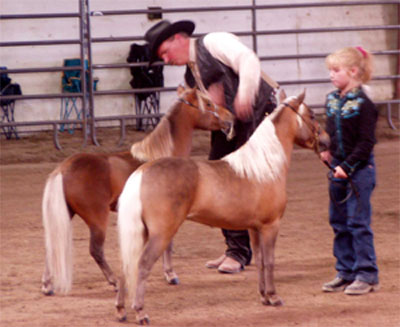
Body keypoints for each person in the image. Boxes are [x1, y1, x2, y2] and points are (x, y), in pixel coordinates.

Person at [144, 20, 277, 274]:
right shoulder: (190, 74)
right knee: (219, 176)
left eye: (164, 52)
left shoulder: (214, 42)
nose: (165, 60)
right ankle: (236, 250)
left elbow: (248, 60)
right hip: (233, 126)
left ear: (177, 39)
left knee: (235, 182)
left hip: (259, 116)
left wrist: (244, 93)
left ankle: (239, 253)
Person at [320, 46, 379, 295]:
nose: (332, 75)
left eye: (336, 70)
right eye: (331, 71)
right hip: (338, 168)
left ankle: (366, 273)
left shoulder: (365, 104)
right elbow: (331, 131)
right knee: (339, 221)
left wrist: (346, 166)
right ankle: (345, 271)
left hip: (359, 170)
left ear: (353, 71)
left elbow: (366, 143)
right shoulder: (332, 100)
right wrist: (326, 149)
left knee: (357, 222)